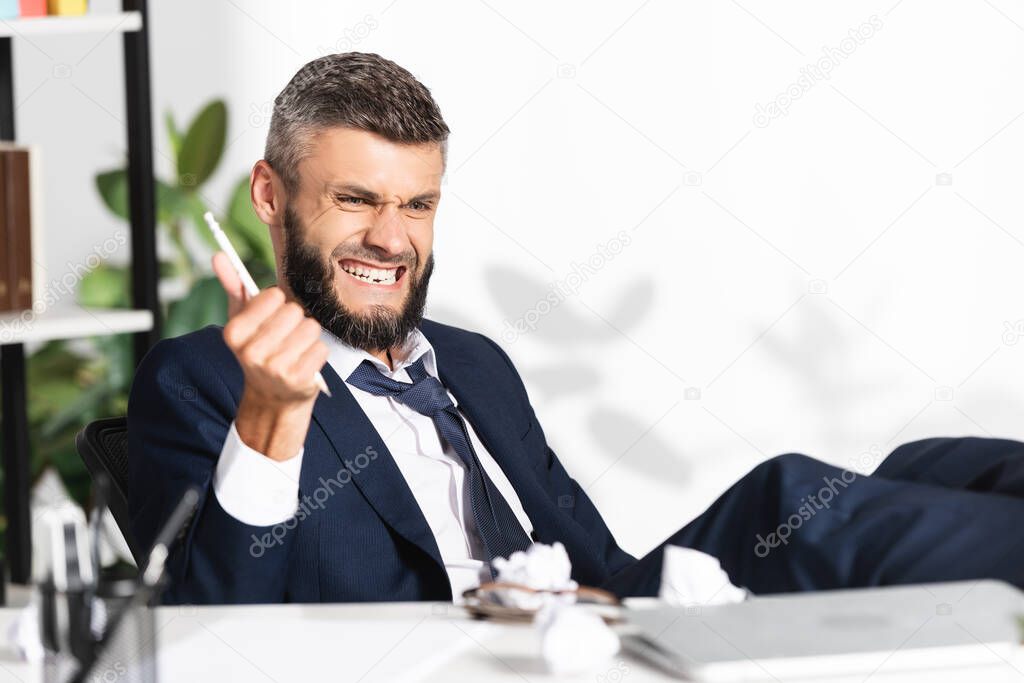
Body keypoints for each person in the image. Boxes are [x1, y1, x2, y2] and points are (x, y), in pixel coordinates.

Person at [127, 52, 1024, 605]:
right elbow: (218, 638)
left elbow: (600, 563)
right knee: (791, 497)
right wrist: (275, 422)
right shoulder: (197, 381)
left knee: (930, 464)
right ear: (270, 196)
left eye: (418, 204)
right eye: (356, 199)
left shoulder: (474, 364)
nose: (391, 238)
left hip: (598, 628)